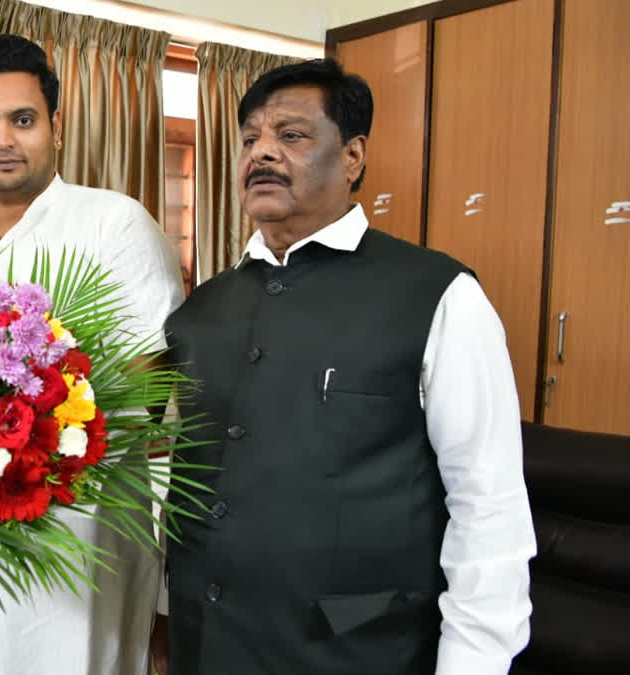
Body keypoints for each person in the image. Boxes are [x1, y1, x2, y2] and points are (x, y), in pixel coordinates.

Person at [153, 58, 535, 674]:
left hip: (354, 650)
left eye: (292, 136)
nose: (262, 153)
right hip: (210, 642)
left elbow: (487, 503)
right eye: (250, 139)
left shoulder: (439, 296)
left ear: (353, 157)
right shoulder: (200, 311)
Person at [0, 34, 184, 675]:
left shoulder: (114, 223)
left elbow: (145, 392)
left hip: (78, 544)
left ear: (55, 125)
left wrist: (13, 440)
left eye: (22, 120)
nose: (2, 139)